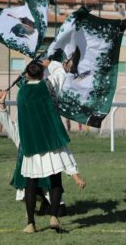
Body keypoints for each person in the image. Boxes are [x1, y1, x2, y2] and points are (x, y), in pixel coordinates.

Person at [17, 59, 84, 233]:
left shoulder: (22, 92)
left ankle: (30, 224)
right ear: (42, 73)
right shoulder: (49, 85)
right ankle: (54, 216)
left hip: (32, 143)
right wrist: (51, 62)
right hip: (50, 140)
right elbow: (61, 71)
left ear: (27, 75)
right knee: (55, 181)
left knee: (30, 185)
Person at [0, 90, 85, 219]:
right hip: (31, 178)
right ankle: (33, 209)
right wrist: (2, 103)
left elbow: (62, 153)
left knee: (60, 210)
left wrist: (75, 175)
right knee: (29, 183)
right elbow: (7, 122)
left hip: (47, 180)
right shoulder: (21, 134)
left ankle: (47, 206)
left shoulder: (47, 132)